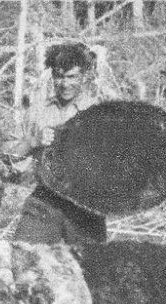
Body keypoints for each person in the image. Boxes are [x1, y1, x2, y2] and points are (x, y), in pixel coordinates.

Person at [11, 43, 106, 245]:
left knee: (90, 269)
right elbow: (10, 158)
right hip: (45, 201)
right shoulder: (37, 110)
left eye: (71, 77)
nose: (64, 83)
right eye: (59, 76)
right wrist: (33, 141)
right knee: (23, 257)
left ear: (84, 76)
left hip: (85, 204)